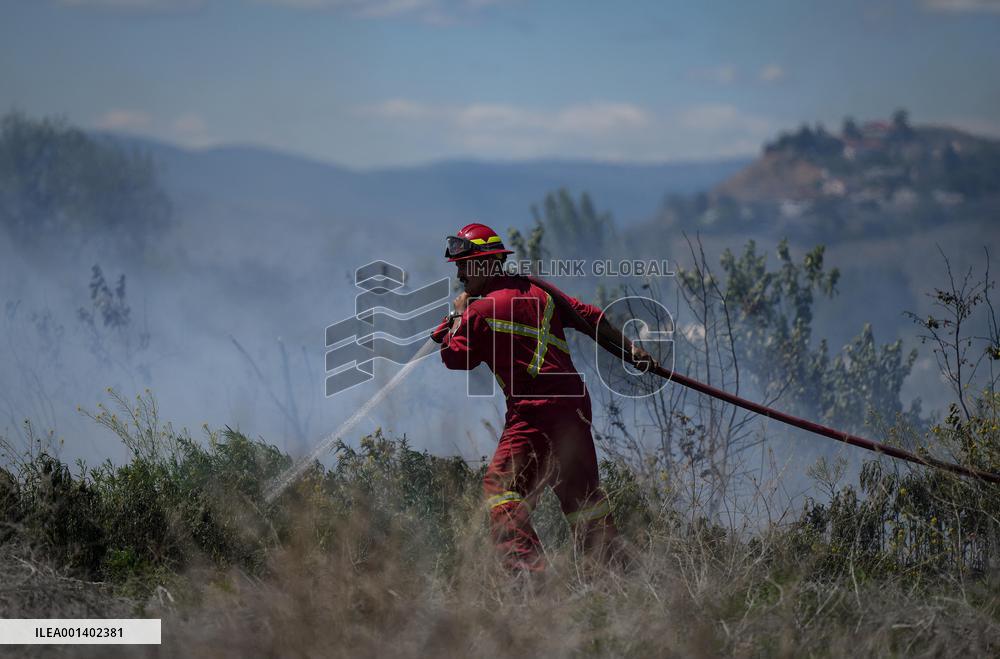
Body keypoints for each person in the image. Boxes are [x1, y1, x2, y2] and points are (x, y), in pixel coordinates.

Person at [431, 222, 656, 572]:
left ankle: (531, 581)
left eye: (464, 265)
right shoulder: (539, 290)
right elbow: (589, 318)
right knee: (583, 500)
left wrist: (455, 316)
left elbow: (455, 357)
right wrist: (630, 350)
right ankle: (613, 578)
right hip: (574, 406)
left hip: (534, 411)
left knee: (501, 491)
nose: (460, 274)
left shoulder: (477, 311)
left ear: (484, 263)